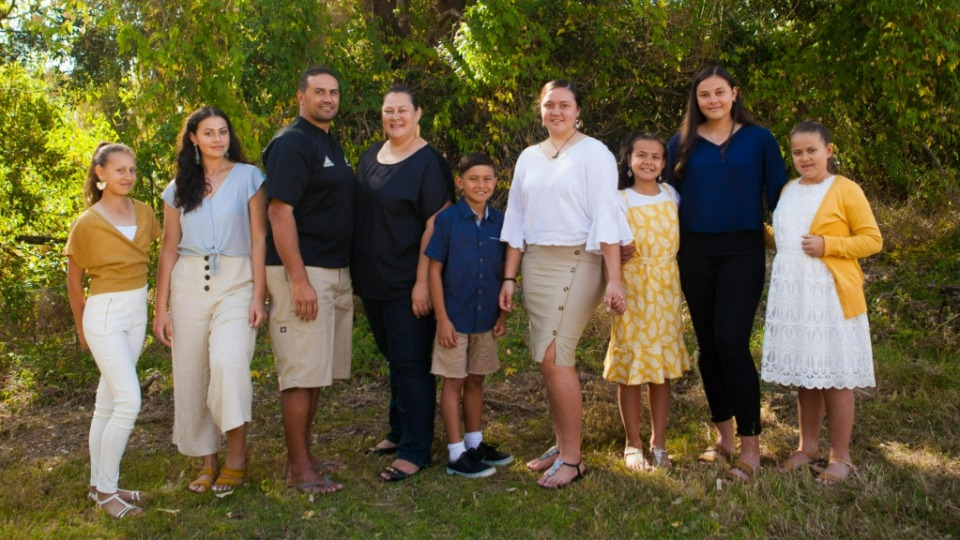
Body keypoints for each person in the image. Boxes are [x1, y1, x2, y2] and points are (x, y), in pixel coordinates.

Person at [499, 79, 632, 489]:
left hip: (579, 259)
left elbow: (606, 213)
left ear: (578, 111)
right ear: (540, 110)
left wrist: (615, 278)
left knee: (558, 355)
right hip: (536, 262)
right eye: (549, 105)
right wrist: (509, 276)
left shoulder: (595, 153)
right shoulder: (527, 157)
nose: (556, 111)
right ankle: (560, 446)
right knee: (545, 356)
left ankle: (573, 460)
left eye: (564, 105)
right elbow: (517, 218)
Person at [663, 66, 787, 483]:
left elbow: (782, 199)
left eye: (720, 92)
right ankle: (725, 439)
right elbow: (659, 198)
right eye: (704, 94)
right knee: (708, 346)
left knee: (732, 340)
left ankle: (752, 448)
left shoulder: (759, 139)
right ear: (694, 100)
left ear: (734, 93)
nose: (712, 100)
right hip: (694, 250)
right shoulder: (679, 143)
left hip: (742, 249)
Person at [761, 120, 882, 485]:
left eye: (812, 150)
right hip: (795, 294)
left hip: (830, 295)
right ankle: (807, 447)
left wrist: (830, 245)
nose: (804, 158)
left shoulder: (845, 189)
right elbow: (785, 240)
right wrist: (750, 227)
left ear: (828, 151)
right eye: (797, 152)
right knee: (806, 372)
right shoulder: (788, 190)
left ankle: (840, 457)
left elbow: (872, 239)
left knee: (836, 375)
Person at [153, 106, 267, 494]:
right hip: (187, 282)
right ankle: (207, 460)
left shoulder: (249, 177)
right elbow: (168, 249)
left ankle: (237, 456)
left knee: (228, 361)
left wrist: (259, 295)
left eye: (223, 131)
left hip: (237, 281)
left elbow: (258, 239)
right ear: (193, 139)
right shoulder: (177, 188)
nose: (218, 139)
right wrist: (160, 308)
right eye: (209, 132)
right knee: (192, 372)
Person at [352, 84, 454, 482]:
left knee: (411, 365)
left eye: (402, 111)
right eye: (388, 111)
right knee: (394, 359)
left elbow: (435, 223)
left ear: (418, 114)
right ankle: (397, 432)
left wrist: (422, 283)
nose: (395, 117)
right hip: (372, 280)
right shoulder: (369, 157)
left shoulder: (430, 163)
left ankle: (415, 450)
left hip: (407, 281)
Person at [263, 66, 354, 494]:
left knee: (315, 370)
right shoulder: (292, 142)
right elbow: (279, 211)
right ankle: (299, 469)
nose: (328, 99)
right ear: (301, 96)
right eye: (319, 92)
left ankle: (305, 457)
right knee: (300, 372)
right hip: (303, 271)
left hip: (333, 270)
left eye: (333, 92)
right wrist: (299, 280)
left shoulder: (328, 140)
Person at [66, 143, 161, 518]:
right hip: (103, 315)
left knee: (106, 401)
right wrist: (82, 331)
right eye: (119, 169)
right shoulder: (87, 222)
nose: (128, 176)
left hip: (135, 312)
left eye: (132, 170)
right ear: (100, 173)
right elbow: (74, 284)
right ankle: (107, 492)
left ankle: (98, 483)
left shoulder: (144, 212)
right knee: (128, 401)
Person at [603, 131, 691, 472]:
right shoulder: (619, 200)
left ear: (664, 162)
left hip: (666, 288)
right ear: (628, 160)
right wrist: (614, 282)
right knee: (632, 371)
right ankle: (632, 443)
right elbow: (609, 245)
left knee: (660, 370)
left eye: (656, 156)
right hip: (634, 288)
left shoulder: (672, 194)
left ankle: (658, 442)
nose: (648, 162)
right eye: (641, 155)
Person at [426, 152, 513, 479]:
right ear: (460, 182)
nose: (481, 184)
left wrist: (501, 317)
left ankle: (474, 443)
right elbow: (435, 271)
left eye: (487, 178)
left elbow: (505, 271)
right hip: (454, 317)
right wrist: (442, 319)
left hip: (486, 318)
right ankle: (455, 453)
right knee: (454, 381)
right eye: (473, 179)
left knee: (477, 378)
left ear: (495, 182)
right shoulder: (447, 221)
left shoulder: (501, 221)